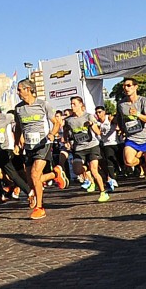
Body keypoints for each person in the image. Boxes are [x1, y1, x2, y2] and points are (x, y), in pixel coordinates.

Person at [14, 79, 66, 219]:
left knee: (35, 175)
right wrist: (16, 143)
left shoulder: (43, 105)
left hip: (44, 144)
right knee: (31, 180)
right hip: (29, 146)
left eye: (20, 89)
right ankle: (55, 174)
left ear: (28, 89)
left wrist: (52, 134)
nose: (18, 92)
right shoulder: (18, 108)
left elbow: (56, 123)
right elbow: (19, 127)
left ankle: (40, 207)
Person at [118, 78, 146, 198]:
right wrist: (121, 129)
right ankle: (142, 161)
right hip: (131, 139)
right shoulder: (121, 104)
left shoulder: (143, 101)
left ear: (135, 87)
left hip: (145, 138)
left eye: (129, 85)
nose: (126, 88)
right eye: (124, 86)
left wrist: (137, 114)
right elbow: (120, 120)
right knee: (128, 161)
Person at [64, 96, 109, 202]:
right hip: (79, 148)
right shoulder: (69, 120)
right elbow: (66, 130)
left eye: (74, 104)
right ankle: (90, 180)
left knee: (94, 170)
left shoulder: (88, 116)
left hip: (92, 146)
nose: (72, 106)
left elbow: (98, 132)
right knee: (76, 170)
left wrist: (92, 124)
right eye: (71, 104)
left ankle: (103, 192)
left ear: (81, 105)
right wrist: (66, 141)